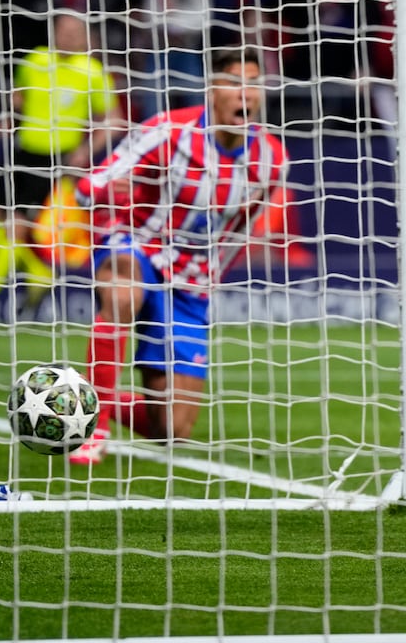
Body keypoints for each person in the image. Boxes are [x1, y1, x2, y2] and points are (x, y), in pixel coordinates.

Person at [68, 47, 287, 464]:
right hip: (137, 245)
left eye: (254, 84)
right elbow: (89, 186)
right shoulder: (168, 131)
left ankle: (91, 395)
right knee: (123, 292)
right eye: (235, 82)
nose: (247, 94)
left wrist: (210, 279)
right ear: (213, 89)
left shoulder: (272, 159)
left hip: (190, 279)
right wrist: (106, 191)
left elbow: (238, 232)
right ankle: (91, 429)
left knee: (172, 431)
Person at [0, 11, 118, 317]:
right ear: (54, 32)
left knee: (17, 229)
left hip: (56, 160)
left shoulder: (92, 71)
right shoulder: (35, 60)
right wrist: (8, 118)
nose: (67, 36)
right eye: (63, 30)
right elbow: (18, 97)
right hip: (22, 153)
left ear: (84, 37)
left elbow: (113, 121)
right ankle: (39, 273)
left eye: (74, 31)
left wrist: (85, 150)